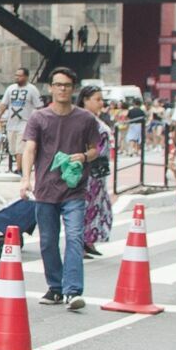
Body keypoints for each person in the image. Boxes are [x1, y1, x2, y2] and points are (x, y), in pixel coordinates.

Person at [18, 66, 102, 309]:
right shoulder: (39, 117)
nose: (62, 89)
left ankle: (73, 290)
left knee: (75, 238)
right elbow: (30, 148)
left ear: (73, 88)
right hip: (45, 189)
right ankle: (55, 287)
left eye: (66, 85)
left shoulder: (85, 118)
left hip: (74, 189)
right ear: (50, 88)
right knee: (47, 241)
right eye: (58, 85)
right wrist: (26, 178)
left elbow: (96, 149)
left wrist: (84, 157)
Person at [79, 85, 114, 256]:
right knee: (85, 206)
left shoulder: (95, 119)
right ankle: (80, 243)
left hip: (99, 170)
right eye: (97, 99)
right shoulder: (83, 119)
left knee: (97, 205)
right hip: (88, 169)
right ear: (86, 100)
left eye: (102, 99)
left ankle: (88, 241)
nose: (101, 103)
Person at [0, 67, 40, 171]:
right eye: (16, 75)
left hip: (25, 122)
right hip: (11, 123)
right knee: (13, 149)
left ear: (26, 77)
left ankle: (19, 169)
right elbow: (4, 104)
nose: (17, 78)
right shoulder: (10, 88)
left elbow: (39, 106)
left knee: (20, 148)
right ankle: (20, 167)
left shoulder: (32, 89)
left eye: (20, 76)